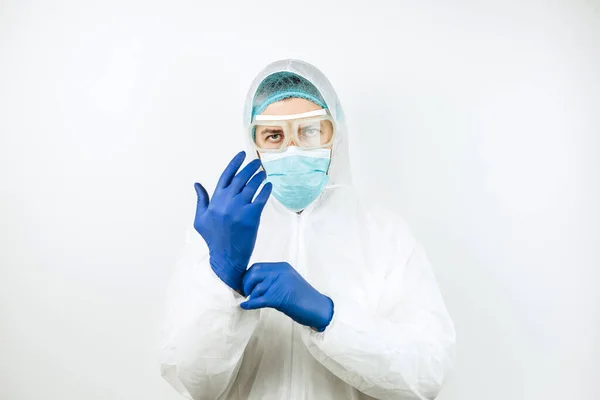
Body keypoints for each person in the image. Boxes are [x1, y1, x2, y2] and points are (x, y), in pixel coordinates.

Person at [159, 59, 456, 400]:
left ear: (336, 134)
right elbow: (192, 381)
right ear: (253, 140)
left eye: (310, 131)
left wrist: (330, 317)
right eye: (274, 135)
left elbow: (427, 374)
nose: (293, 149)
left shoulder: (385, 237)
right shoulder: (220, 236)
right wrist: (220, 279)